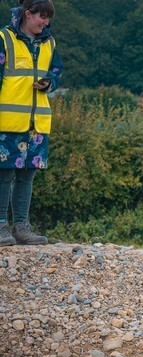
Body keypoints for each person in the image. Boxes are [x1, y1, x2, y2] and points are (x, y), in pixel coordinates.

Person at [0, 0, 62, 246]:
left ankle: (21, 227)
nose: (46, 22)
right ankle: (1, 227)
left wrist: (49, 83)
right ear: (28, 14)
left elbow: (56, 72)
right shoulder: (4, 39)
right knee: (4, 176)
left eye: (48, 18)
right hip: (8, 122)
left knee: (27, 175)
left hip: (37, 123)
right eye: (42, 17)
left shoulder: (49, 43)